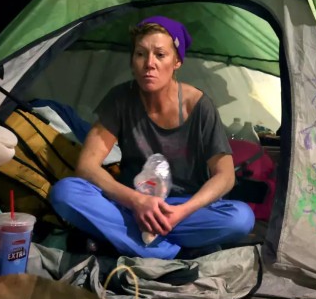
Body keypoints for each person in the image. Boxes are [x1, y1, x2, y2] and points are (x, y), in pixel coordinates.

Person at [49, 16, 254, 259]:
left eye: (160, 55)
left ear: (177, 61)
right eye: (140, 54)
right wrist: (137, 202)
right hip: (132, 206)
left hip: (182, 212)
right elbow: (87, 166)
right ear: (132, 61)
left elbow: (225, 176)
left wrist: (182, 212)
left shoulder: (198, 105)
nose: (149, 64)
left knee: (241, 218)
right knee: (65, 193)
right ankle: (171, 252)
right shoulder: (120, 99)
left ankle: (134, 243)